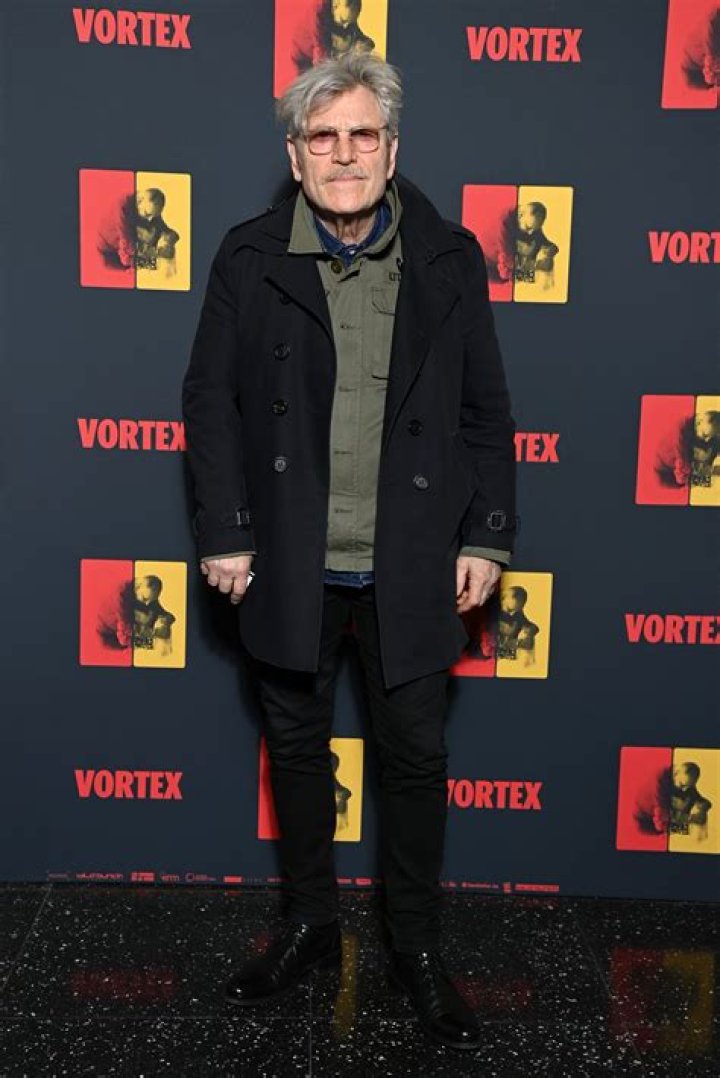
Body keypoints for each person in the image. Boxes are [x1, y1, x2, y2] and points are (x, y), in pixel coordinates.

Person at [182, 52, 517, 1050]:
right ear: (295, 156)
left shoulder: (450, 257)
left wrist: (487, 532)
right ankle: (311, 925)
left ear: (391, 149)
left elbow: (486, 410)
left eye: (361, 134)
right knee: (295, 750)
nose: (343, 155)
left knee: (415, 759)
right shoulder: (248, 256)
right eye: (322, 138)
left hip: (412, 559)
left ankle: (415, 945)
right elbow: (209, 401)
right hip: (289, 556)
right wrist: (226, 529)